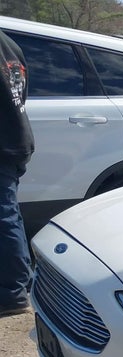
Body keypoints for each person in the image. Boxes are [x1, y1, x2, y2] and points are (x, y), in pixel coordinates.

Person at [0, 29, 35, 317]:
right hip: (16, 138)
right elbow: (21, 93)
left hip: (3, 143)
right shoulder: (10, 44)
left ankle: (12, 295)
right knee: (8, 215)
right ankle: (19, 284)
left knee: (4, 218)